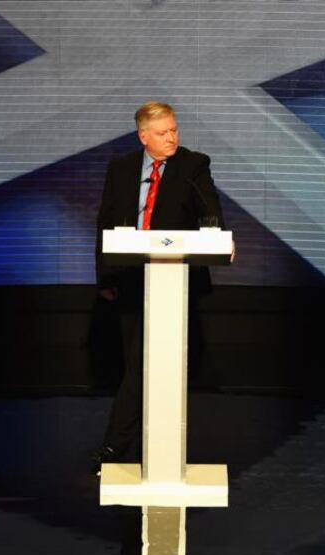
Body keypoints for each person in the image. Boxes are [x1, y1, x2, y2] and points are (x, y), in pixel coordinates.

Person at [92, 102, 226, 470]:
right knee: (137, 364)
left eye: (174, 130)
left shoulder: (193, 165)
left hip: (175, 278)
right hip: (131, 278)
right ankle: (129, 447)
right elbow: (105, 223)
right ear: (143, 136)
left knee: (144, 364)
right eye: (163, 132)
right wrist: (105, 277)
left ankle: (114, 448)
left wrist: (216, 232)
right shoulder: (120, 169)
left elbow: (210, 211)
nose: (172, 137)